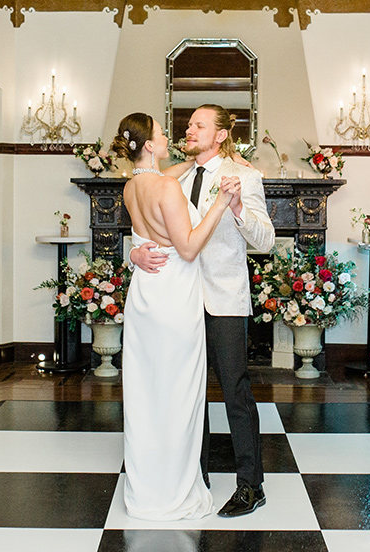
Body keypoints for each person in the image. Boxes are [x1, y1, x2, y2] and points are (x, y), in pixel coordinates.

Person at [131, 104, 275, 517]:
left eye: (198, 125)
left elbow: (266, 239)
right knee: (186, 391)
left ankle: (251, 485)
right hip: (180, 300)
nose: (188, 130)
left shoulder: (245, 176)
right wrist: (134, 254)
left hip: (224, 298)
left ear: (221, 135)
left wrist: (236, 210)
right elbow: (148, 228)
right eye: (188, 123)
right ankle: (195, 476)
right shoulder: (174, 175)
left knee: (235, 391)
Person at [111, 112, 240, 521]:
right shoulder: (167, 187)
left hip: (145, 296)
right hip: (174, 299)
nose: (170, 135)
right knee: (181, 393)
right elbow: (187, 248)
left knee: (149, 393)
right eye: (162, 132)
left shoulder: (132, 186)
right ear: (150, 144)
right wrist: (219, 204)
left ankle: (148, 487)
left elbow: (167, 176)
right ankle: (177, 490)